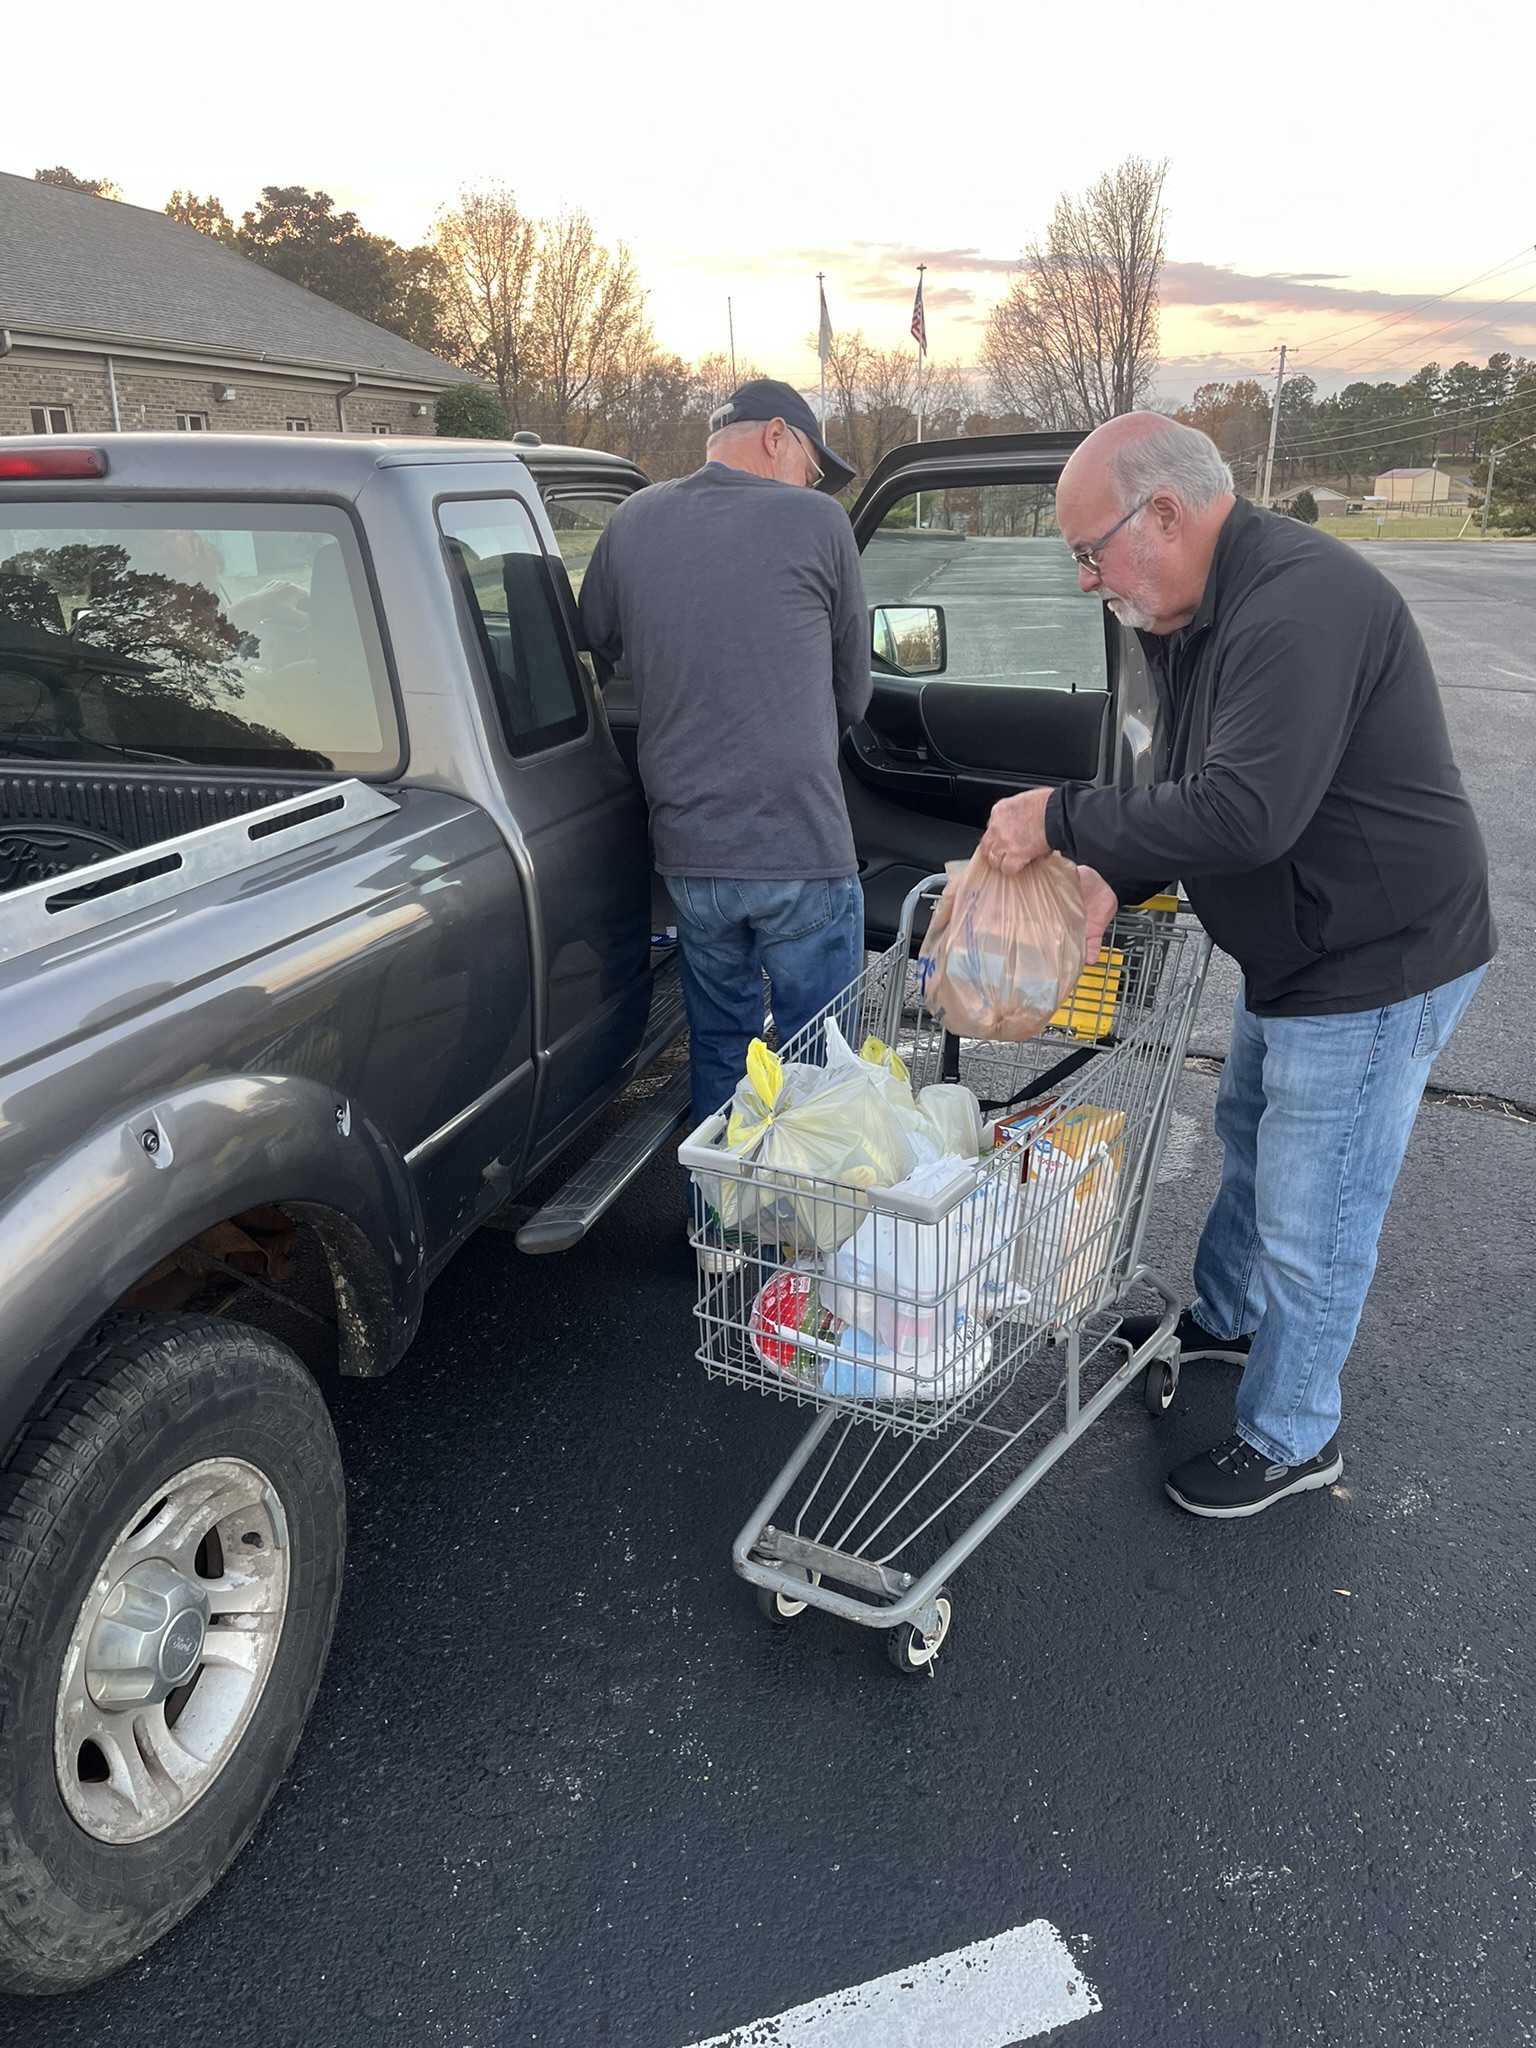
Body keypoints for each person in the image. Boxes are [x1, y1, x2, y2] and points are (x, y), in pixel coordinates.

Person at [981, 413, 1494, 1520]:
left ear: (1164, 514)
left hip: (1375, 954)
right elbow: (1179, 773)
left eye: (1088, 552)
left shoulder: (1296, 606)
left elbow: (1248, 810)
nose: (1084, 583)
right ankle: (1227, 1317)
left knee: (1319, 1208)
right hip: (1298, 945)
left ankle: (1292, 1431)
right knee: (1253, 1133)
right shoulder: (1185, 609)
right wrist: (1115, 864)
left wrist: (1063, 818)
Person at [579, 379, 871, 1133]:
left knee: (723, 1047)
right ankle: (810, 1238)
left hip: (692, 858)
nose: (811, 482)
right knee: (821, 1058)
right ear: (778, 435)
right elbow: (852, 696)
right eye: (811, 463)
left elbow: (593, 652)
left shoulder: (633, 519)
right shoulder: (820, 522)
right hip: (798, 848)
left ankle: (723, 1238)